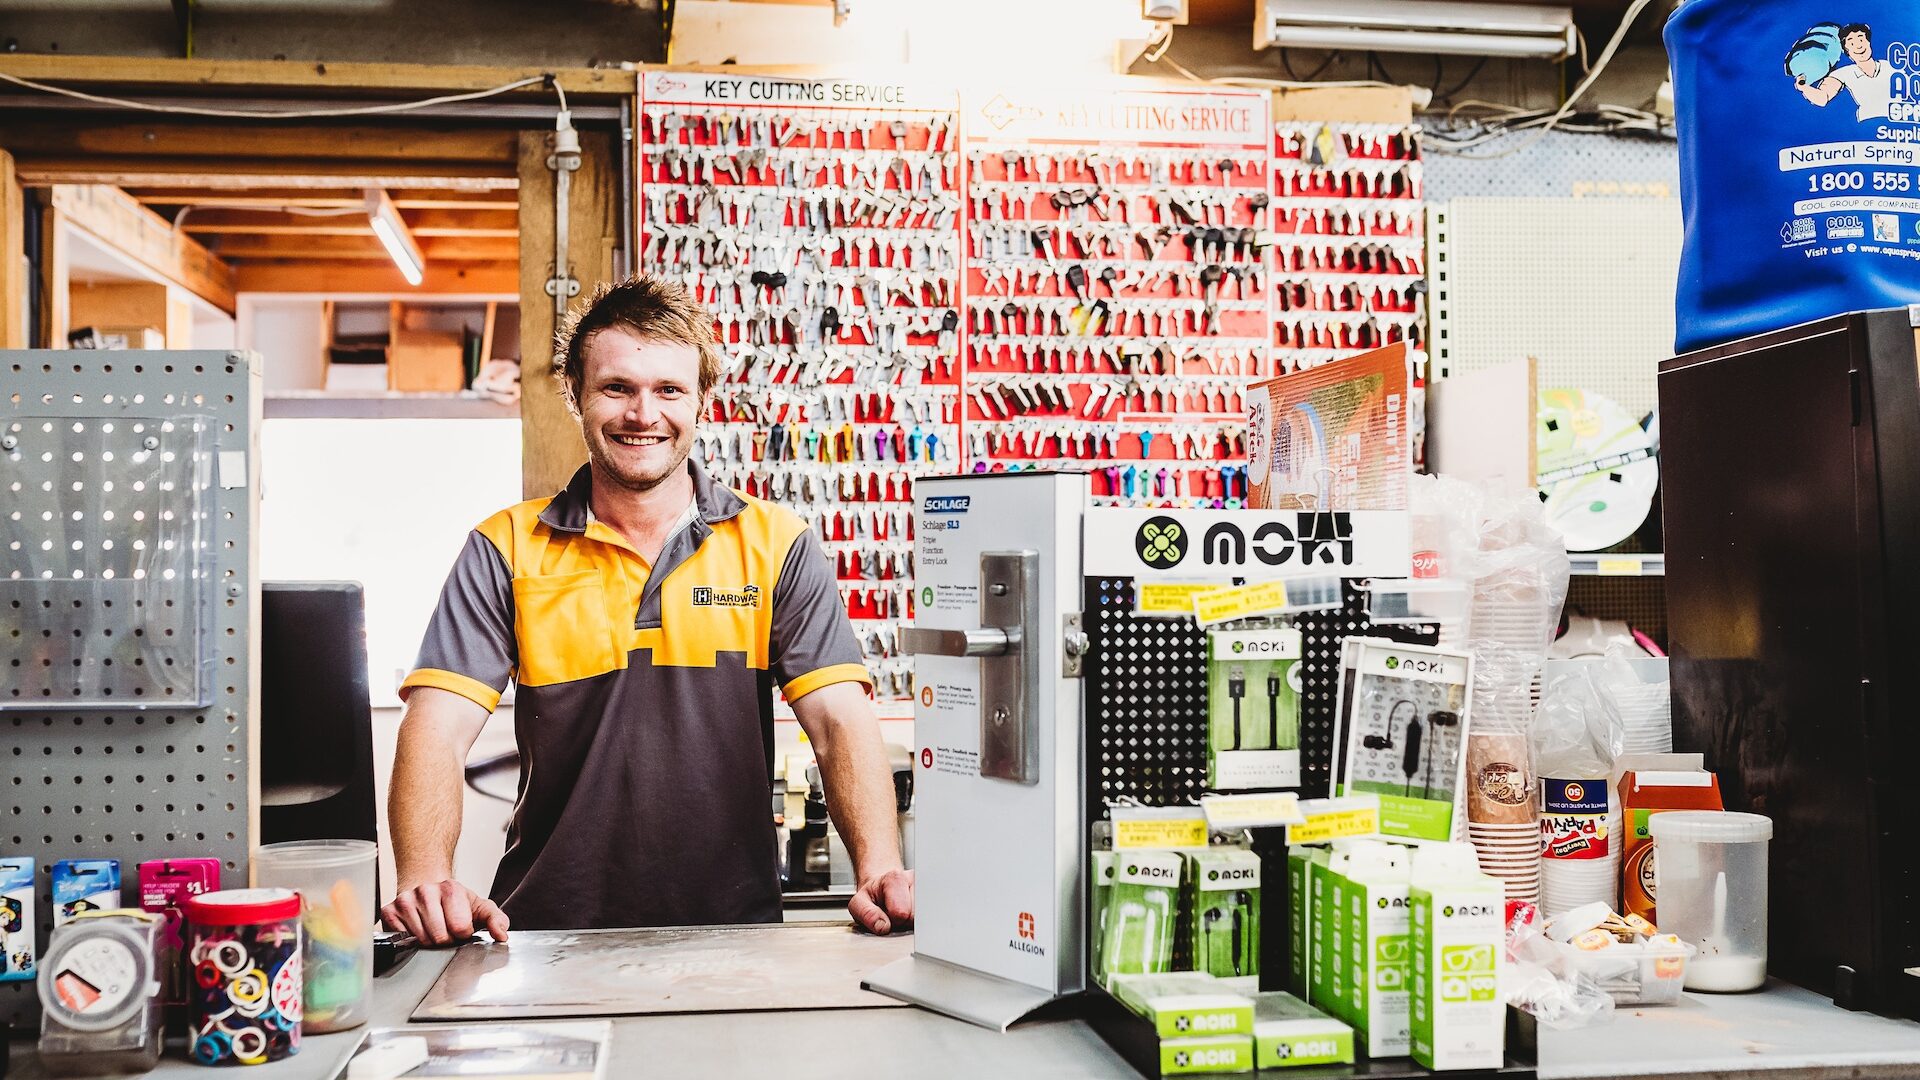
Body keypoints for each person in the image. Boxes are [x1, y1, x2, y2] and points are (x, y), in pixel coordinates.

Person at [380, 276, 913, 943]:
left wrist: (879, 865)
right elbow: (437, 726)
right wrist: (425, 874)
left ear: (701, 403)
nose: (642, 414)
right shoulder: (507, 547)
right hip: (543, 936)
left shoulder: (775, 544)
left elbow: (839, 721)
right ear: (574, 394)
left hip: (734, 936)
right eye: (616, 388)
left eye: (668, 390)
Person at [1798, 23, 1893, 122]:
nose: (1859, 46)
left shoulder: (1890, 67)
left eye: (1861, 40)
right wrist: (1804, 87)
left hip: (1898, 122)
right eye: (1852, 43)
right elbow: (1822, 98)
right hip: (1867, 122)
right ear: (1846, 50)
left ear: (1868, 42)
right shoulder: (1843, 73)